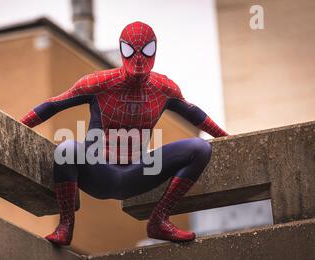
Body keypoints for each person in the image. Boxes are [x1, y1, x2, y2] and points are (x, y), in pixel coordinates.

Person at [20, 21, 228, 246]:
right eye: (131, 51)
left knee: (200, 148)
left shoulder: (164, 88)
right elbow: (53, 104)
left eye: (146, 50)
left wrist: (226, 138)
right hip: (97, 170)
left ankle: (159, 219)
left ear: (155, 51)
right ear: (122, 50)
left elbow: (195, 114)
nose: (138, 59)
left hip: (137, 173)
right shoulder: (99, 83)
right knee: (67, 149)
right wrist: (18, 126)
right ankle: (66, 225)